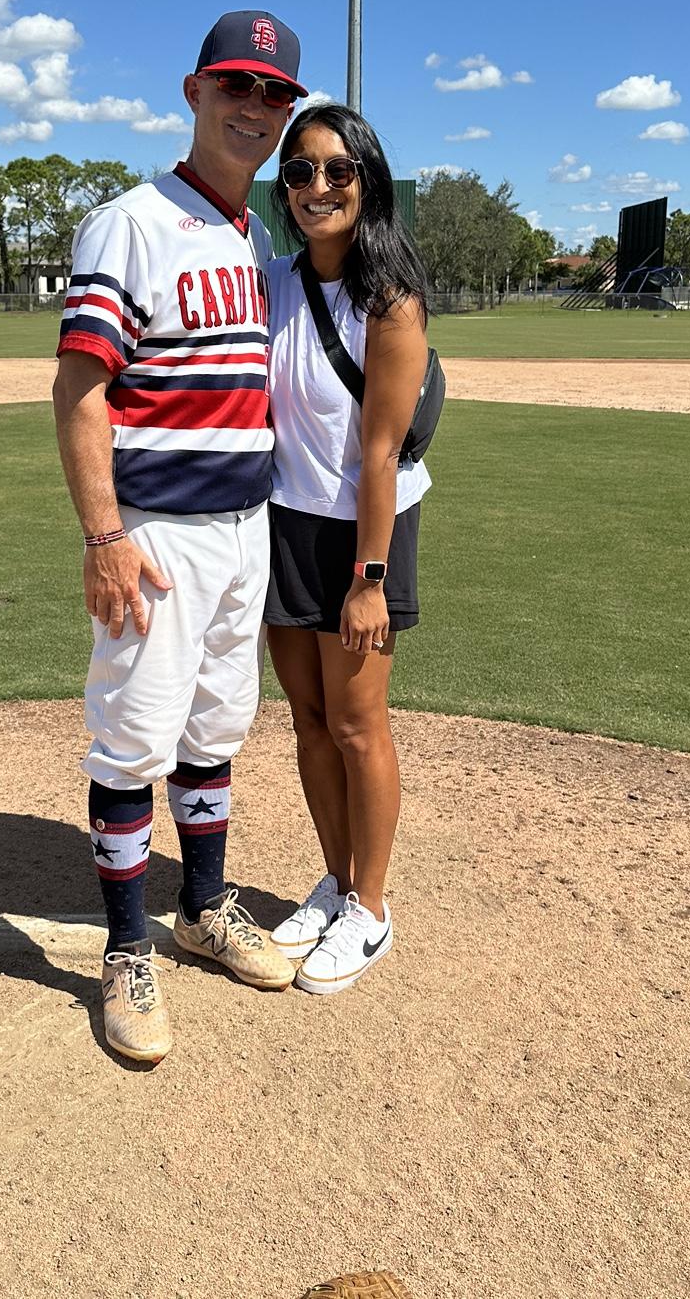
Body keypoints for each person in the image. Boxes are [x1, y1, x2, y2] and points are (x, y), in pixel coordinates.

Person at [52, 11, 307, 1063]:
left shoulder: (255, 237)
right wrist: (104, 534)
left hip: (244, 525)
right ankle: (125, 949)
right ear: (195, 91)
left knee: (215, 728)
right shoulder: (130, 223)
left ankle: (202, 906)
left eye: (274, 95)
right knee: (134, 736)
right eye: (237, 86)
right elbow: (78, 388)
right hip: (155, 529)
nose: (255, 108)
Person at [261, 103, 432, 994]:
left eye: (335, 170)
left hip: (366, 534)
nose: (316, 188)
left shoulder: (390, 303)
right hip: (285, 525)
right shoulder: (277, 283)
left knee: (360, 725)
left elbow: (378, 452)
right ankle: (333, 881)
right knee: (310, 721)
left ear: (367, 179)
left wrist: (367, 581)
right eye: (299, 172)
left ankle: (370, 908)